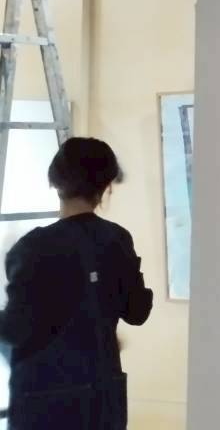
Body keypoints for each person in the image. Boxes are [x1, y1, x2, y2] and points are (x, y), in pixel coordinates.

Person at [0, 137, 153, 430]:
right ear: (106, 186)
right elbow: (137, 312)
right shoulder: (117, 240)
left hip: (44, 402)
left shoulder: (32, 247)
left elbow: (15, 329)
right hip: (103, 398)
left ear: (53, 182)